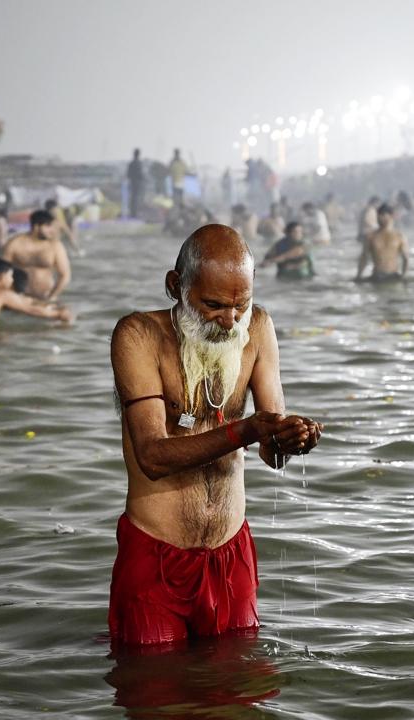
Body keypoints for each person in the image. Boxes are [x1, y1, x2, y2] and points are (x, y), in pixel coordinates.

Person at [108, 224, 322, 646]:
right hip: (156, 553)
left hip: (231, 550)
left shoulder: (257, 328)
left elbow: (270, 449)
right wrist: (246, 430)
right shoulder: (138, 336)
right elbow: (151, 456)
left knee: (238, 689)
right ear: (175, 286)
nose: (230, 321)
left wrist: (292, 439)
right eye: (213, 305)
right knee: (155, 692)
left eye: (241, 305)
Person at [2, 209, 71, 300]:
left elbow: (65, 275)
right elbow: (2, 271)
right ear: (36, 226)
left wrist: (52, 296)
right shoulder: (15, 244)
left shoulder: (55, 246)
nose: (52, 230)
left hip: (46, 296)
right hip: (19, 297)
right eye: (48, 226)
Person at [356, 204, 408, 282]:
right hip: (377, 276)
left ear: (391, 216)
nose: (380, 218)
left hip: (393, 275)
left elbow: (406, 258)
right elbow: (364, 257)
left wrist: (403, 276)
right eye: (378, 215)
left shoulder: (399, 237)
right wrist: (359, 276)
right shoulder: (371, 237)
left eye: (383, 215)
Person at [127, 148, 146, 219]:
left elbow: (128, 174)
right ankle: (135, 214)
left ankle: (132, 213)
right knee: (137, 199)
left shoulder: (131, 163)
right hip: (137, 183)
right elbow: (140, 174)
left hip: (132, 182)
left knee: (133, 199)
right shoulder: (139, 163)